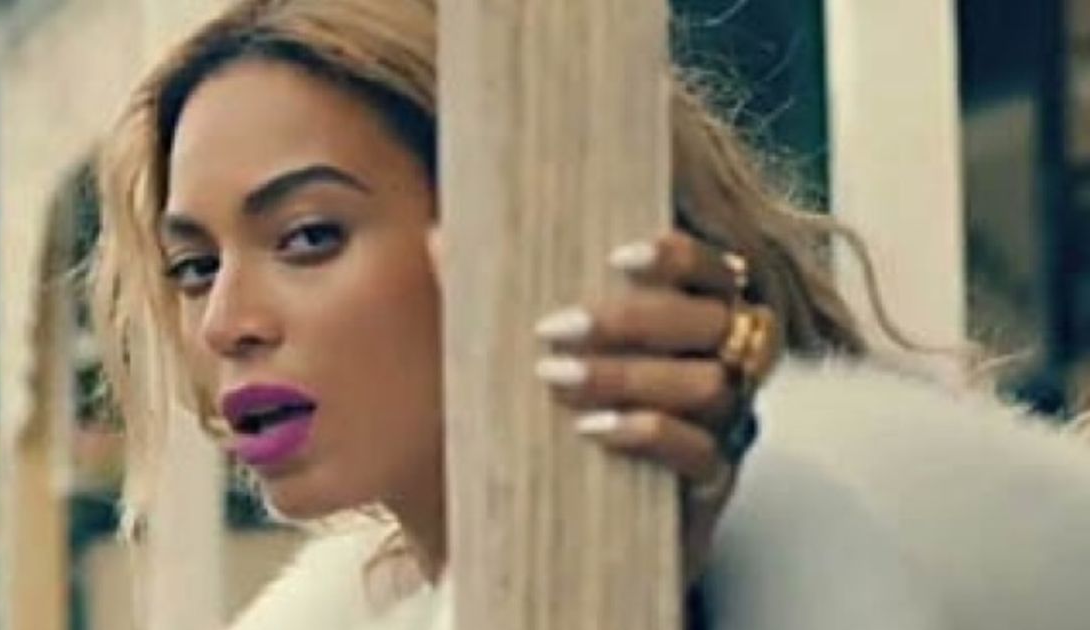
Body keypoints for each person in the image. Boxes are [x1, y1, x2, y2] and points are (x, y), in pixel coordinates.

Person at [90, 1, 1090, 629]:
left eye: (310, 236)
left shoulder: (803, 555)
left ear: (504, 233)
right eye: (194, 267)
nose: (226, 322)